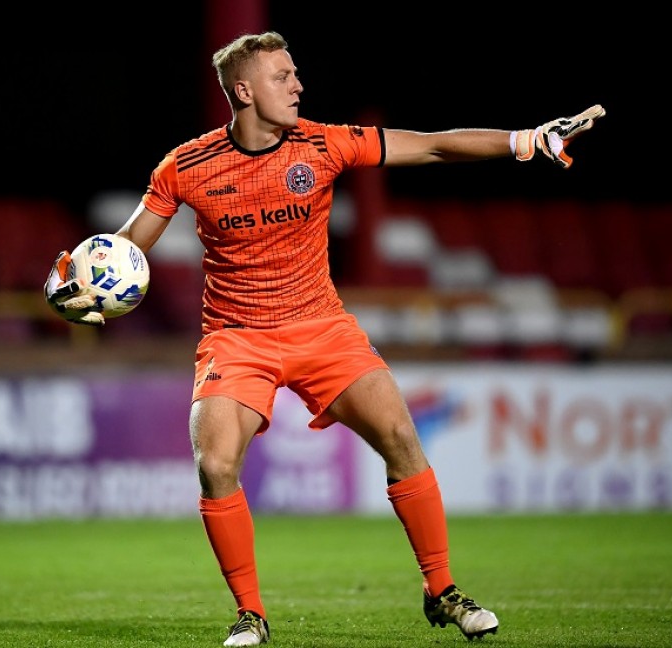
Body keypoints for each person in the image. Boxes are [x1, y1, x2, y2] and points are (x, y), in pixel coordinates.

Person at [45, 31, 605, 647]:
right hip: (237, 337)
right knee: (215, 464)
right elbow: (122, 254)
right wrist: (80, 291)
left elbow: (435, 148)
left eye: (295, 74)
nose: (298, 85)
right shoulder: (185, 167)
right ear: (244, 91)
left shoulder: (325, 143)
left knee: (400, 437)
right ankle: (251, 614)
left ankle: (442, 592)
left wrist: (529, 140)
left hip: (322, 327)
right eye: (283, 76)